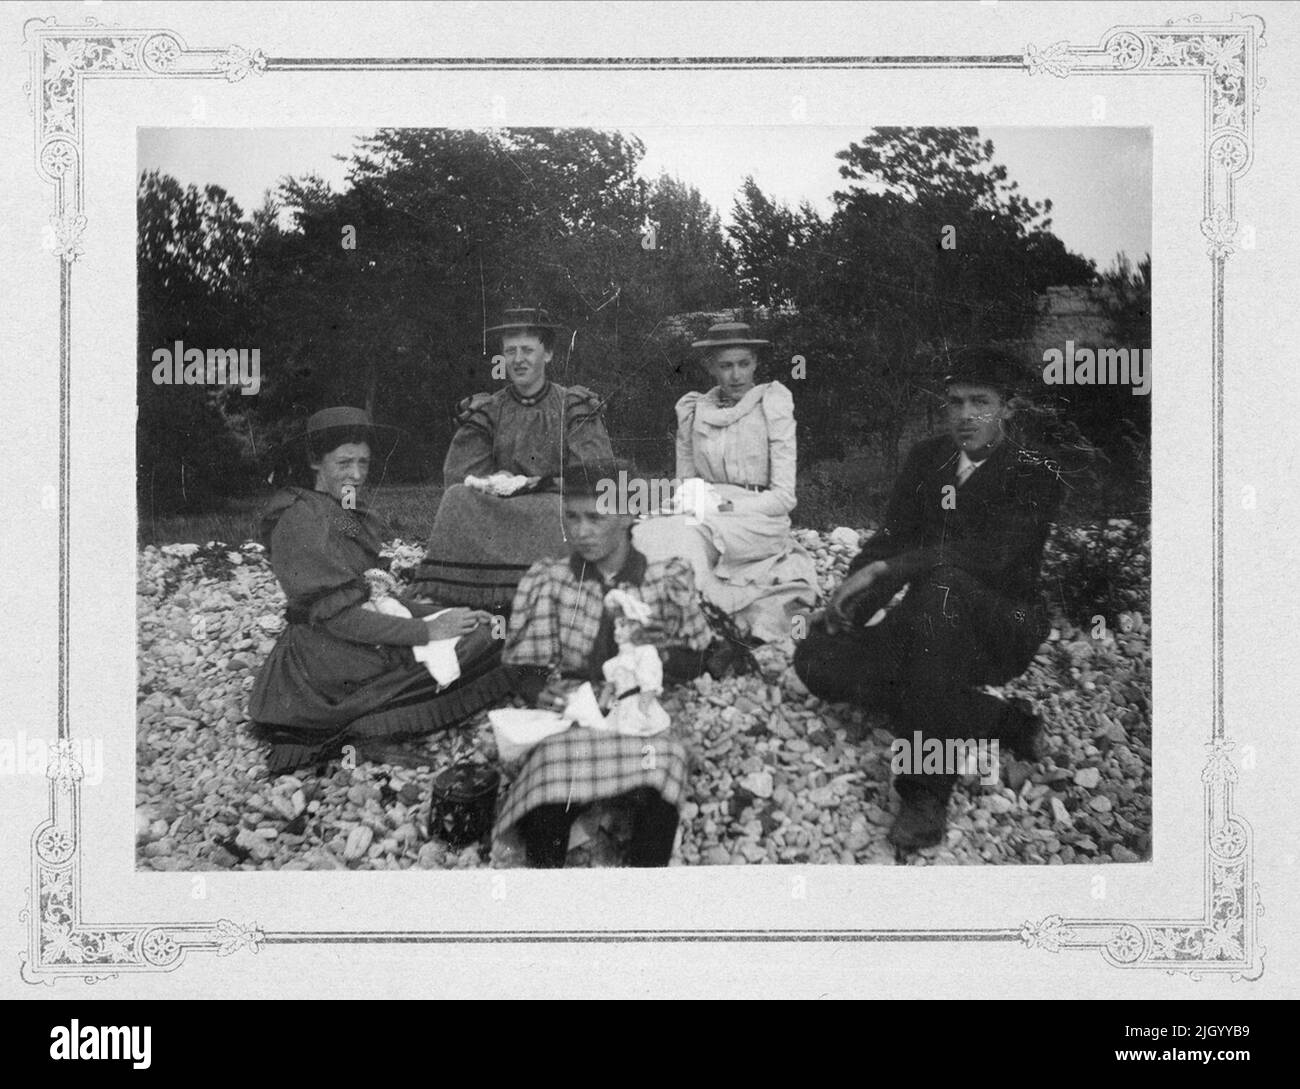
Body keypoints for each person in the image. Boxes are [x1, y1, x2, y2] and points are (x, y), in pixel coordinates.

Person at [793, 351, 1063, 852]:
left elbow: (992, 554)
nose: (965, 415)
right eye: (955, 402)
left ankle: (924, 794)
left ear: (1008, 408)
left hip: (999, 628)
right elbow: (889, 542)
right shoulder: (927, 458)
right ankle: (1000, 720)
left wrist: (892, 571)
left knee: (942, 584)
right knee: (816, 654)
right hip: (926, 628)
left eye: (980, 402)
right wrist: (850, 602)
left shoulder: (1035, 471)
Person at [248, 406, 512, 774]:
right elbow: (339, 618)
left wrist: (444, 616)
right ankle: (362, 729)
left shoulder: (340, 510)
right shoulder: (300, 519)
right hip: (324, 661)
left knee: (485, 634)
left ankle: (380, 719)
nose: (356, 474)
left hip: (357, 638)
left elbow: (373, 596)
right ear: (315, 462)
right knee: (477, 650)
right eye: (343, 463)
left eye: (364, 463)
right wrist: (429, 629)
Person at [494, 460, 714, 868]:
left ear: (629, 515)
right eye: (572, 518)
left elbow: (695, 653)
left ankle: (640, 891)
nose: (580, 531)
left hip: (642, 710)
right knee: (551, 779)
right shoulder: (554, 580)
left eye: (595, 518)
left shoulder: (663, 580)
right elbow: (527, 664)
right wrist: (538, 689)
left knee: (665, 774)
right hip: (579, 708)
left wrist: (656, 653)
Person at [411, 307, 614, 612]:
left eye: (528, 350)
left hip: (553, 501)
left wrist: (542, 483)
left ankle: (551, 587)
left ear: (547, 354)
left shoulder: (572, 404)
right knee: (456, 498)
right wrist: (498, 482)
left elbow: (595, 472)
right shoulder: (490, 408)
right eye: (510, 351)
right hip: (503, 506)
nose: (518, 359)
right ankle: (468, 588)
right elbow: (461, 475)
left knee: (555, 510)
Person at [633, 321, 818, 643]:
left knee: (686, 539)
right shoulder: (694, 409)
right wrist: (688, 502)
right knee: (646, 532)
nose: (736, 375)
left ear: (755, 363)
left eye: (744, 364)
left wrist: (724, 505)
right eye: (726, 366)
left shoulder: (772, 404)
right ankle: (646, 624)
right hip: (705, 507)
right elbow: (685, 481)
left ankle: (698, 624)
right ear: (710, 367)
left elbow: (785, 498)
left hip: (757, 516)